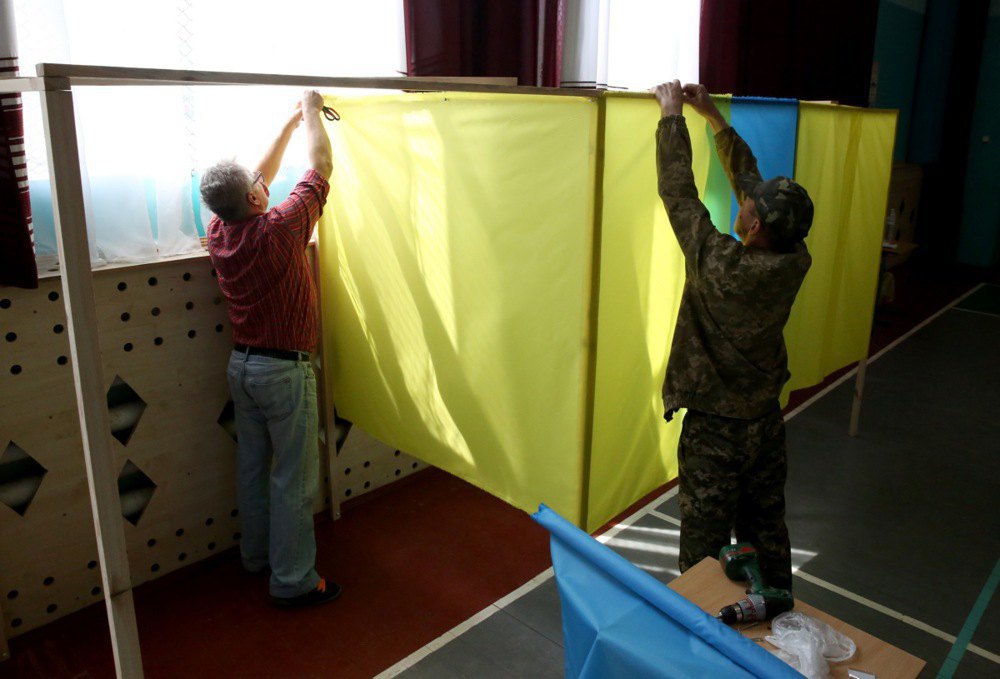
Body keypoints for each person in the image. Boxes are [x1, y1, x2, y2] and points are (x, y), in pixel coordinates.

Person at [652, 80, 814, 591]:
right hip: (763, 423)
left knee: (703, 548)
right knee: (766, 531)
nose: (744, 200)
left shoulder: (721, 266)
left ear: (754, 227)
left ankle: (700, 649)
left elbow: (678, 194)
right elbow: (754, 185)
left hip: (716, 433)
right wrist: (714, 119)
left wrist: (671, 117)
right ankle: (779, 627)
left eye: (750, 206)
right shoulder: (792, 258)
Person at [200, 90, 337, 608]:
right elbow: (321, 166)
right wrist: (309, 110)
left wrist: (285, 129)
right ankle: (294, 581)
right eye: (260, 185)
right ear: (258, 199)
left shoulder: (219, 228)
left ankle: (256, 558)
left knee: (254, 470)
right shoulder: (280, 230)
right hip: (283, 372)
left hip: (243, 367)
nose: (265, 183)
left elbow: (249, 179)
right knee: (294, 481)